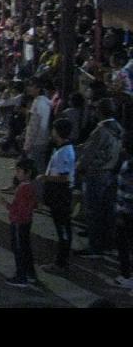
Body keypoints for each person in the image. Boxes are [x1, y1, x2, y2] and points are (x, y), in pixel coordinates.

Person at [75, 98, 123, 257]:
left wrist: (79, 168)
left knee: (94, 210)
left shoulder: (100, 130)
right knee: (107, 210)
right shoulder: (118, 128)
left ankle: (95, 246)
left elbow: (89, 154)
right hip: (111, 172)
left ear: (100, 111)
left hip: (96, 173)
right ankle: (107, 242)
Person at [39, 118, 77, 273]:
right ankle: (62, 259)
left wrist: (45, 177)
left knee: (62, 227)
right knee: (62, 226)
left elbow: (64, 177)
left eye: (54, 129)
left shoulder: (64, 152)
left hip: (61, 193)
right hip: (60, 192)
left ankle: (61, 263)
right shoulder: (63, 148)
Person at [0, 158, 39, 287]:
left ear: (27, 173)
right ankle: (30, 273)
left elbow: (19, 210)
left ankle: (21, 276)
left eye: (19, 171)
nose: (16, 173)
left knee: (18, 249)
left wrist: (6, 204)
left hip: (18, 222)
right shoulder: (31, 186)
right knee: (25, 248)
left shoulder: (23, 188)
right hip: (26, 222)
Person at [113, 131, 133, 291]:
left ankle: (126, 276)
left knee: (124, 245)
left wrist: (120, 212)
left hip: (126, 212)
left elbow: (125, 193)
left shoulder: (128, 166)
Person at [24, 77, 53, 177]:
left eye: (31, 86)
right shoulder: (41, 101)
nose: (28, 88)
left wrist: (29, 144)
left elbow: (39, 126)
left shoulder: (41, 103)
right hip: (38, 140)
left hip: (37, 141)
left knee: (37, 169)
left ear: (38, 88)